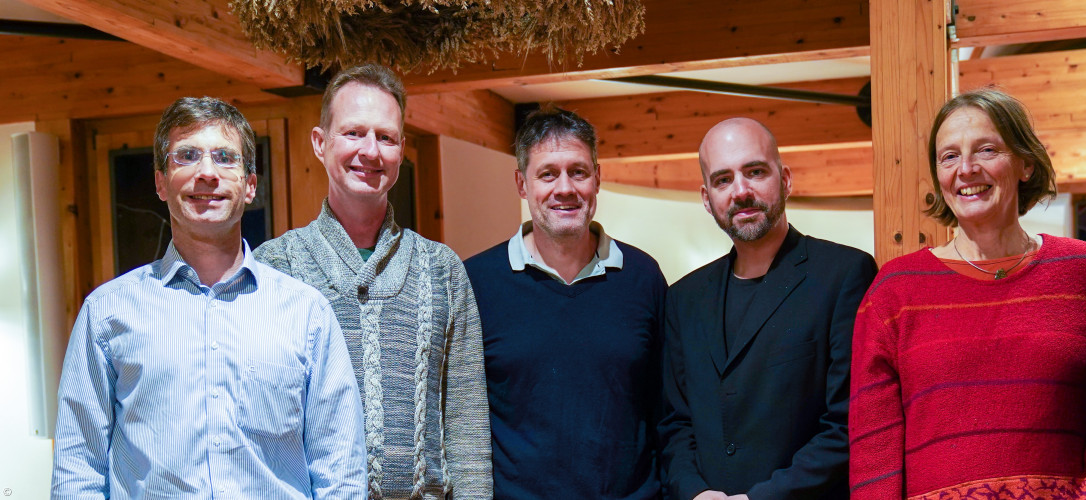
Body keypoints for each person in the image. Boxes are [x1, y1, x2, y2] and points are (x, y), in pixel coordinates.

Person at [51, 97, 366, 499]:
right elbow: (77, 471)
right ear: (161, 182)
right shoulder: (107, 313)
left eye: (224, 158)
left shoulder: (307, 315)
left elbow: (340, 476)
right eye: (187, 156)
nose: (206, 173)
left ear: (250, 185)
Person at [849, 88, 1086, 499]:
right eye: (949, 156)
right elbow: (874, 445)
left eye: (987, 150)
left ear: (1025, 163)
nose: (967, 169)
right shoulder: (895, 291)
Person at [254, 63, 491, 500]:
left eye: (386, 137)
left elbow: (466, 425)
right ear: (319, 143)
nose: (370, 151)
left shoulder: (442, 270)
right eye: (353, 133)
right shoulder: (275, 267)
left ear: (402, 150)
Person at [660, 117, 877, 500]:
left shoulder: (844, 275)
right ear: (707, 199)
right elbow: (676, 423)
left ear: (786, 179)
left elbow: (849, 422)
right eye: (723, 180)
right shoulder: (683, 298)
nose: (741, 191)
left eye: (755, 172)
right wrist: (695, 493)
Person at [462, 107, 667, 500]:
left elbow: (668, 410)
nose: (565, 188)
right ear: (522, 184)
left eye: (578, 171)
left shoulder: (643, 278)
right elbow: (460, 420)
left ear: (597, 178)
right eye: (547, 173)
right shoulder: (475, 283)